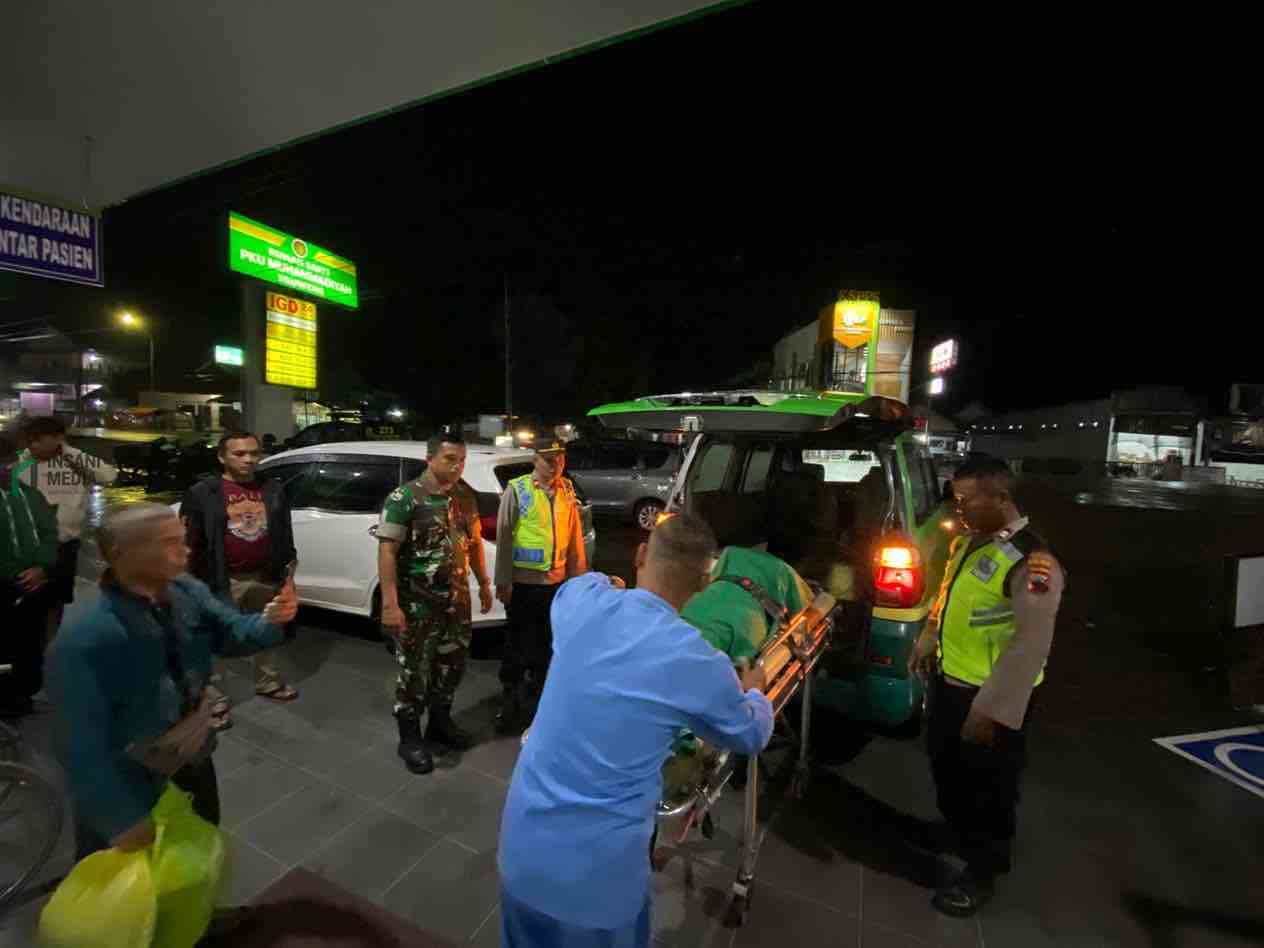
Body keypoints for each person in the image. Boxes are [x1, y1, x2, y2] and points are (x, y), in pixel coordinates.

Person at [498, 513, 774, 948]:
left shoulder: (581, 603)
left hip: (522, 855)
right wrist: (756, 692)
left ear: (641, 554)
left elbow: (585, 583)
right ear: (705, 586)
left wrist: (613, 583)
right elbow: (750, 734)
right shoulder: (698, 663)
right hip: (598, 886)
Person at [47, 503, 297, 860]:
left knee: (200, 847)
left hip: (190, 752)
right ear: (121, 553)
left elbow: (231, 633)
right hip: (130, 772)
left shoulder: (185, 590)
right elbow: (79, 742)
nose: (186, 549)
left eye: (182, 539)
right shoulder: (86, 633)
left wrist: (269, 620)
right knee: (133, 887)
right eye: (169, 542)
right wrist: (120, 817)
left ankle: (200, 913)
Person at [907, 454, 1063, 918]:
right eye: (955, 499)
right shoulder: (972, 542)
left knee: (990, 789)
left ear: (1000, 496)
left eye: (965, 500)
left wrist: (991, 708)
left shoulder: (1033, 561)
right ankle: (957, 830)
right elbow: (949, 594)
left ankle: (983, 872)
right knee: (947, 768)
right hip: (951, 682)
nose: (958, 509)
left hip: (989, 698)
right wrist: (929, 635)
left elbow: (1031, 646)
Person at [377, 432, 492, 775]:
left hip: (457, 602)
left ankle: (440, 725)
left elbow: (472, 544)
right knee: (414, 672)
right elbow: (387, 551)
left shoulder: (464, 496)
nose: (457, 467)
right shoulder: (406, 497)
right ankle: (410, 739)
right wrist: (390, 604)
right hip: (418, 605)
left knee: (452, 667)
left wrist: (483, 583)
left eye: (461, 460)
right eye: (449, 459)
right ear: (430, 459)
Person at [181, 431, 299, 730]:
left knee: (269, 631)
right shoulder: (202, 492)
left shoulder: (272, 488)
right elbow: (189, 540)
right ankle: (214, 699)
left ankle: (268, 682)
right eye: (239, 454)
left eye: (254, 453)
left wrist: (289, 570)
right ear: (222, 457)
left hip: (265, 575)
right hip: (221, 579)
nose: (248, 459)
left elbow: (284, 531)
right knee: (215, 638)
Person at [493, 439, 588, 734]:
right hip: (523, 585)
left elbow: (575, 538)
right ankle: (510, 705)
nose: (555, 464)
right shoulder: (518, 489)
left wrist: (578, 580)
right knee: (518, 647)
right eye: (548, 459)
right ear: (535, 460)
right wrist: (503, 580)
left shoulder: (567, 490)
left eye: (560, 458)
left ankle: (537, 706)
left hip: (556, 585)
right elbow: (504, 536)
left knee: (548, 648)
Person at [16, 415, 118, 639]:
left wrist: (69, 452)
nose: (32, 445)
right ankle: (29, 654)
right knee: (27, 604)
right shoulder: (20, 465)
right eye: (29, 440)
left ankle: (51, 651)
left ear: (58, 439)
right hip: (27, 547)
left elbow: (109, 475)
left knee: (56, 602)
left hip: (64, 546)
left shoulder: (75, 463)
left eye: (38, 439)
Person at [0, 431, 59, 719]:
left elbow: (49, 534)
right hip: (4, 587)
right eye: (3, 462)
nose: (9, 467)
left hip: (34, 585)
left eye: (11, 461)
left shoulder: (31, 496)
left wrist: (41, 568)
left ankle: (25, 694)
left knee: (30, 643)